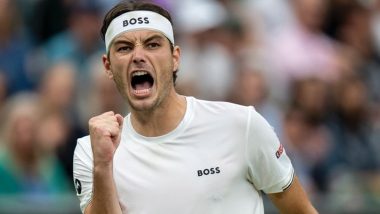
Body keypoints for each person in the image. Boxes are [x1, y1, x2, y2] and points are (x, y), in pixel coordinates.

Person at [73, 1, 318, 213]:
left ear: (175, 58)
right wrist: (103, 165)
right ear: (107, 66)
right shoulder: (92, 153)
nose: (138, 56)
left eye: (152, 44)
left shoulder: (241, 125)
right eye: (124, 48)